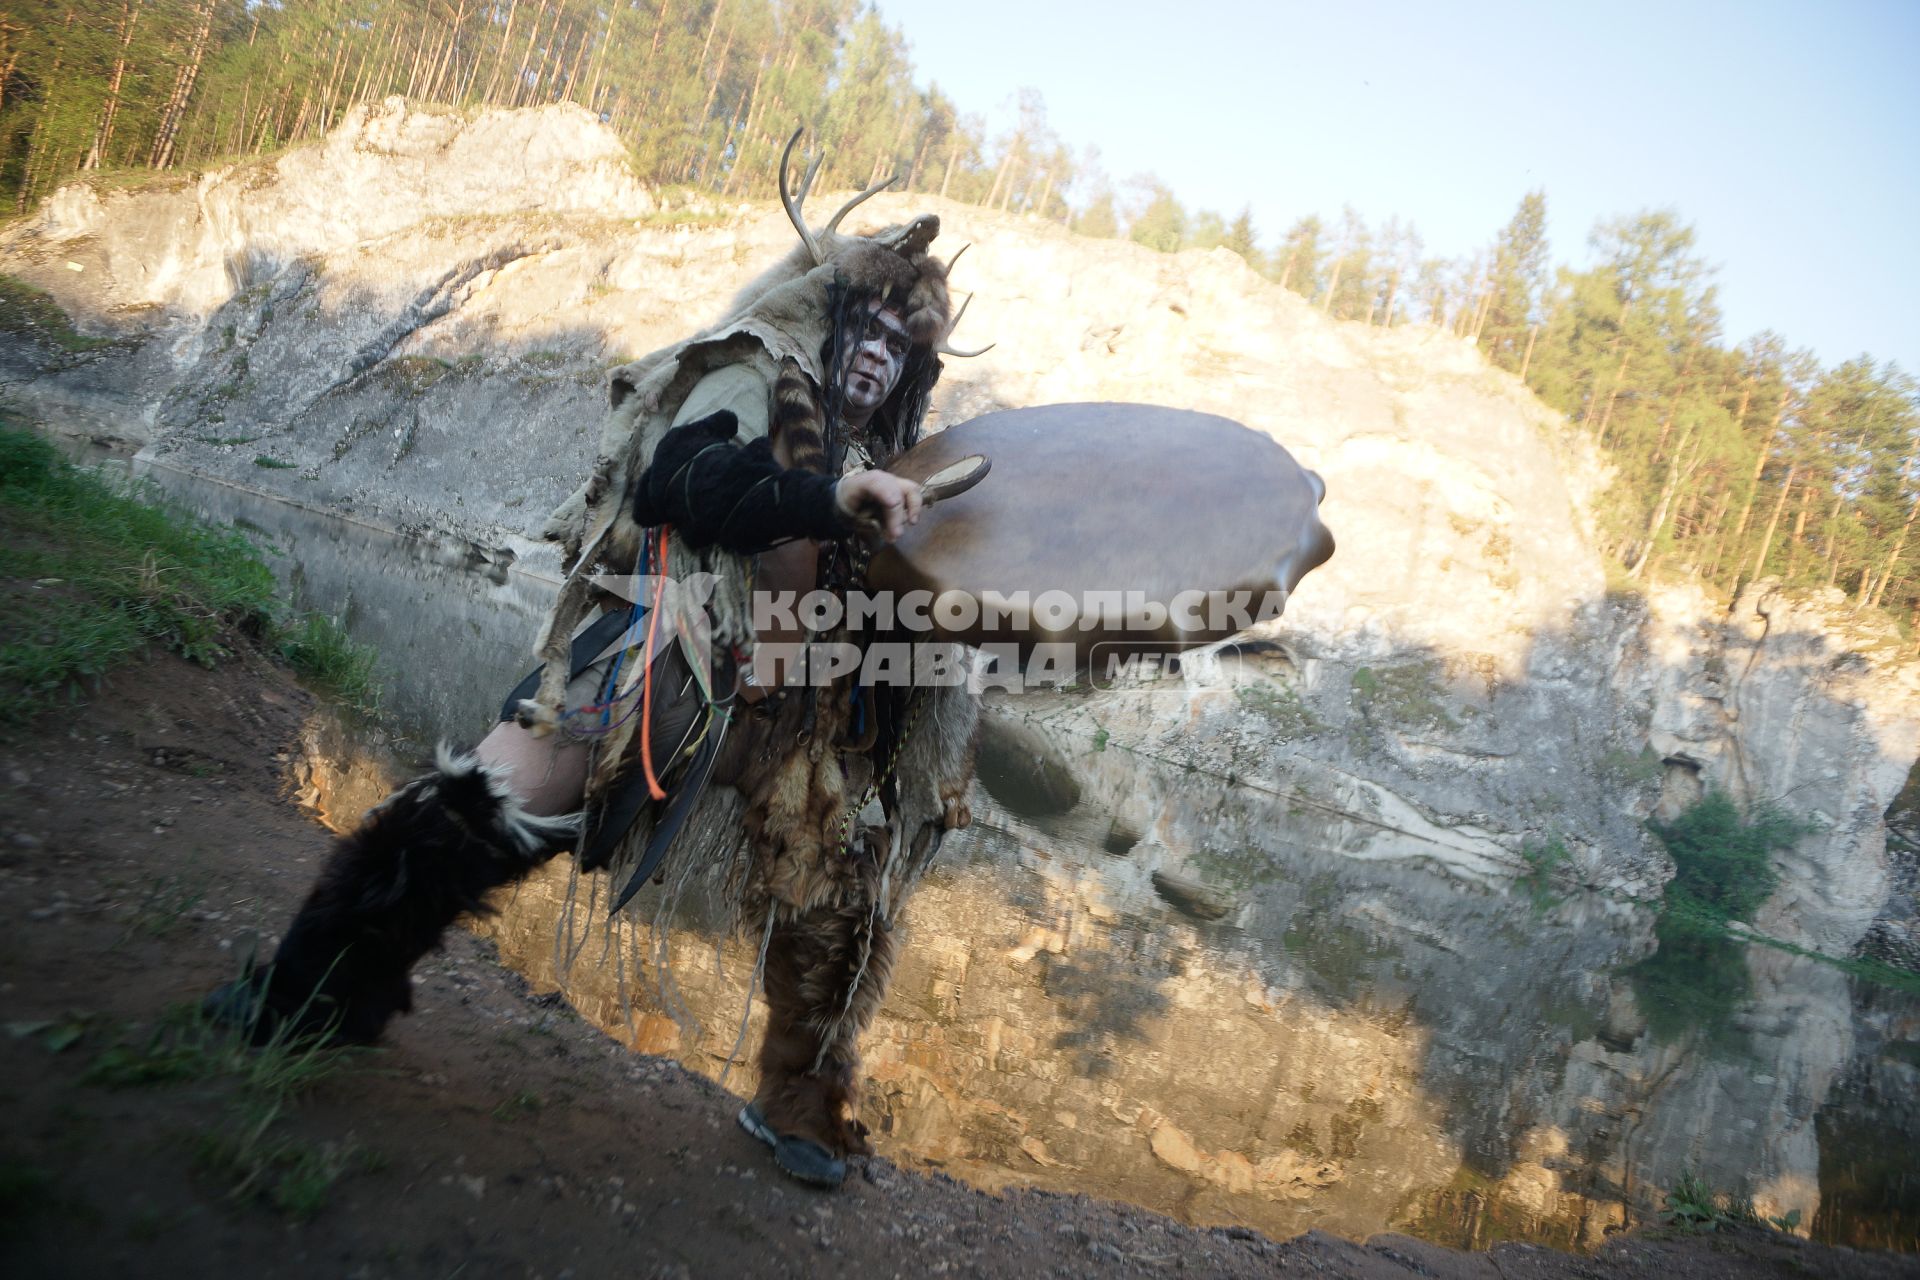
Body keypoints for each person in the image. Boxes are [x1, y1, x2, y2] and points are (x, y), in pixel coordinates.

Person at [208, 138, 985, 1191]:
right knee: (484, 801)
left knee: (846, 875)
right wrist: (821, 500)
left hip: (801, 713)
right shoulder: (752, 372)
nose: (881, 356)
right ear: (828, 313)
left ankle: (802, 1098)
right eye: (873, 325)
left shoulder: (894, 466)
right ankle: (305, 998)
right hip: (671, 662)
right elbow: (682, 477)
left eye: (905, 343)